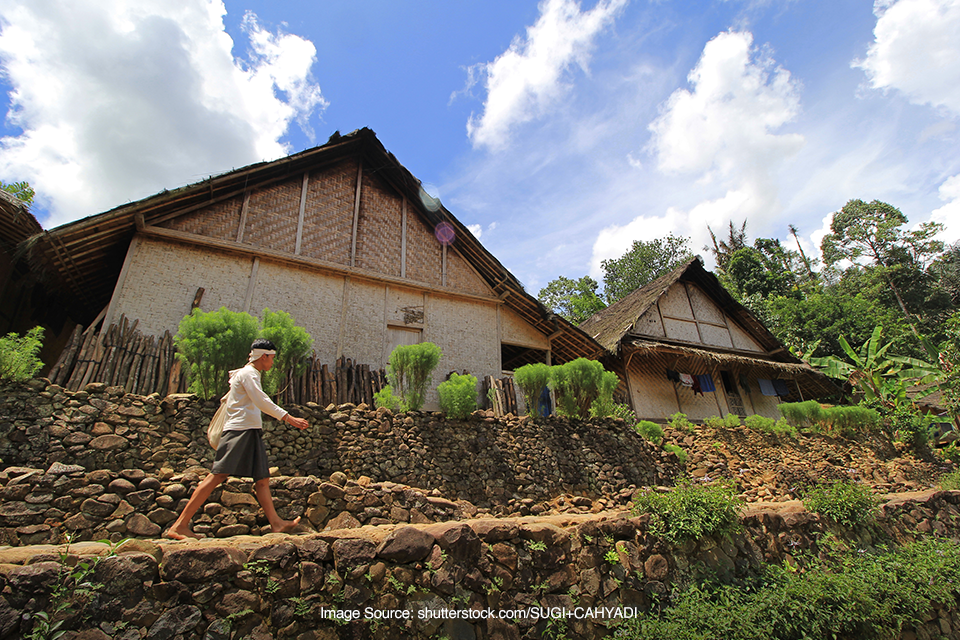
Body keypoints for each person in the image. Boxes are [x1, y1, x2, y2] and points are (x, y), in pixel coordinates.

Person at [165, 339, 310, 540]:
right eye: (272, 358)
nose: (273, 363)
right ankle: (179, 525)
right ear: (264, 356)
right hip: (239, 431)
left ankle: (276, 524)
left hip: (250, 430)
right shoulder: (249, 373)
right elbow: (261, 400)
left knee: (262, 479)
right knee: (217, 475)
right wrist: (288, 417)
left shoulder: (250, 374)